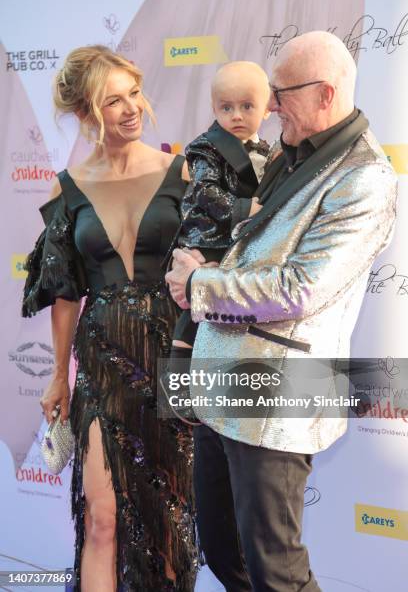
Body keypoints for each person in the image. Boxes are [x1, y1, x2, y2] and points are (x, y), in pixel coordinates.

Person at [165, 30, 397, 591]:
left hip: (275, 398)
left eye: (280, 92)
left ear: (326, 93)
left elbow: (300, 287)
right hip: (223, 386)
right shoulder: (292, 153)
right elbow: (253, 245)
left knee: (277, 570)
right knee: (223, 551)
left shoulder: (364, 178)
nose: (268, 105)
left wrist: (201, 281)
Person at [22, 45, 197, 592]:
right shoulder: (66, 189)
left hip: (173, 361)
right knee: (101, 517)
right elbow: (65, 293)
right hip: (102, 368)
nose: (129, 110)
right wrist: (57, 376)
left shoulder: (183, 171)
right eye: (111, 101)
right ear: (83, 114)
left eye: (134, 94)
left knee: (168, 520)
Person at [167, 61, 270, 421]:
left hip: (240, 244)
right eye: (226, 108)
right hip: (208, 236)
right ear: (214, 109)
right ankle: (179, 369)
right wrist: (246, 207)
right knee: (194, 301)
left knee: (224, 306)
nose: (237, 116)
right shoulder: (205, 148)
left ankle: (218, 380)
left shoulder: (271, 151)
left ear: (268, 106)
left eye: (247, 106)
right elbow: (205, 191)